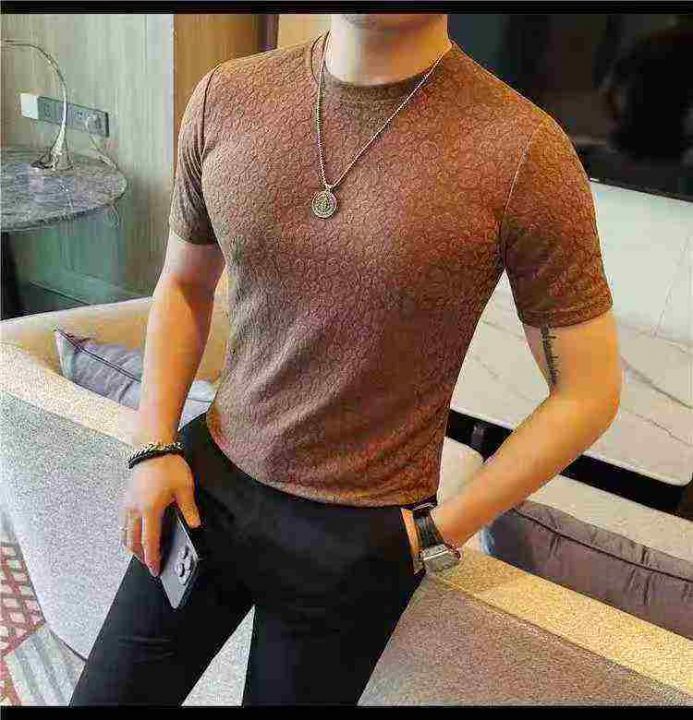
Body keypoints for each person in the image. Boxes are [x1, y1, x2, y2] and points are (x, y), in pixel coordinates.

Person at [69, 12, 621, 706]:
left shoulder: (524, 152)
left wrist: (436, 534)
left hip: (358, 537)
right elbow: (183, 285)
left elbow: (587, 392)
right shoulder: (226, 95)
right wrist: (152, 445)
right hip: (208, 482)